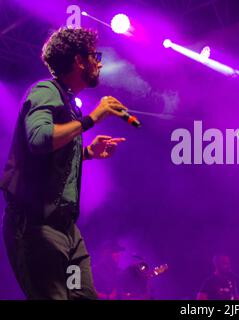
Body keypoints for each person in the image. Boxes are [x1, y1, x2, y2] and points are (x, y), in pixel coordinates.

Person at [0, 27, 128, 299]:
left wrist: (88, 153)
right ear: (79, 61)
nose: (100, 62)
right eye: (95, 56)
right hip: (36, 228)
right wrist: (91, 119)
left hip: (67, 230)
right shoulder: (46, 90)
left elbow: (50, 155)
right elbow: (39, 139)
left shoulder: (69, 102)